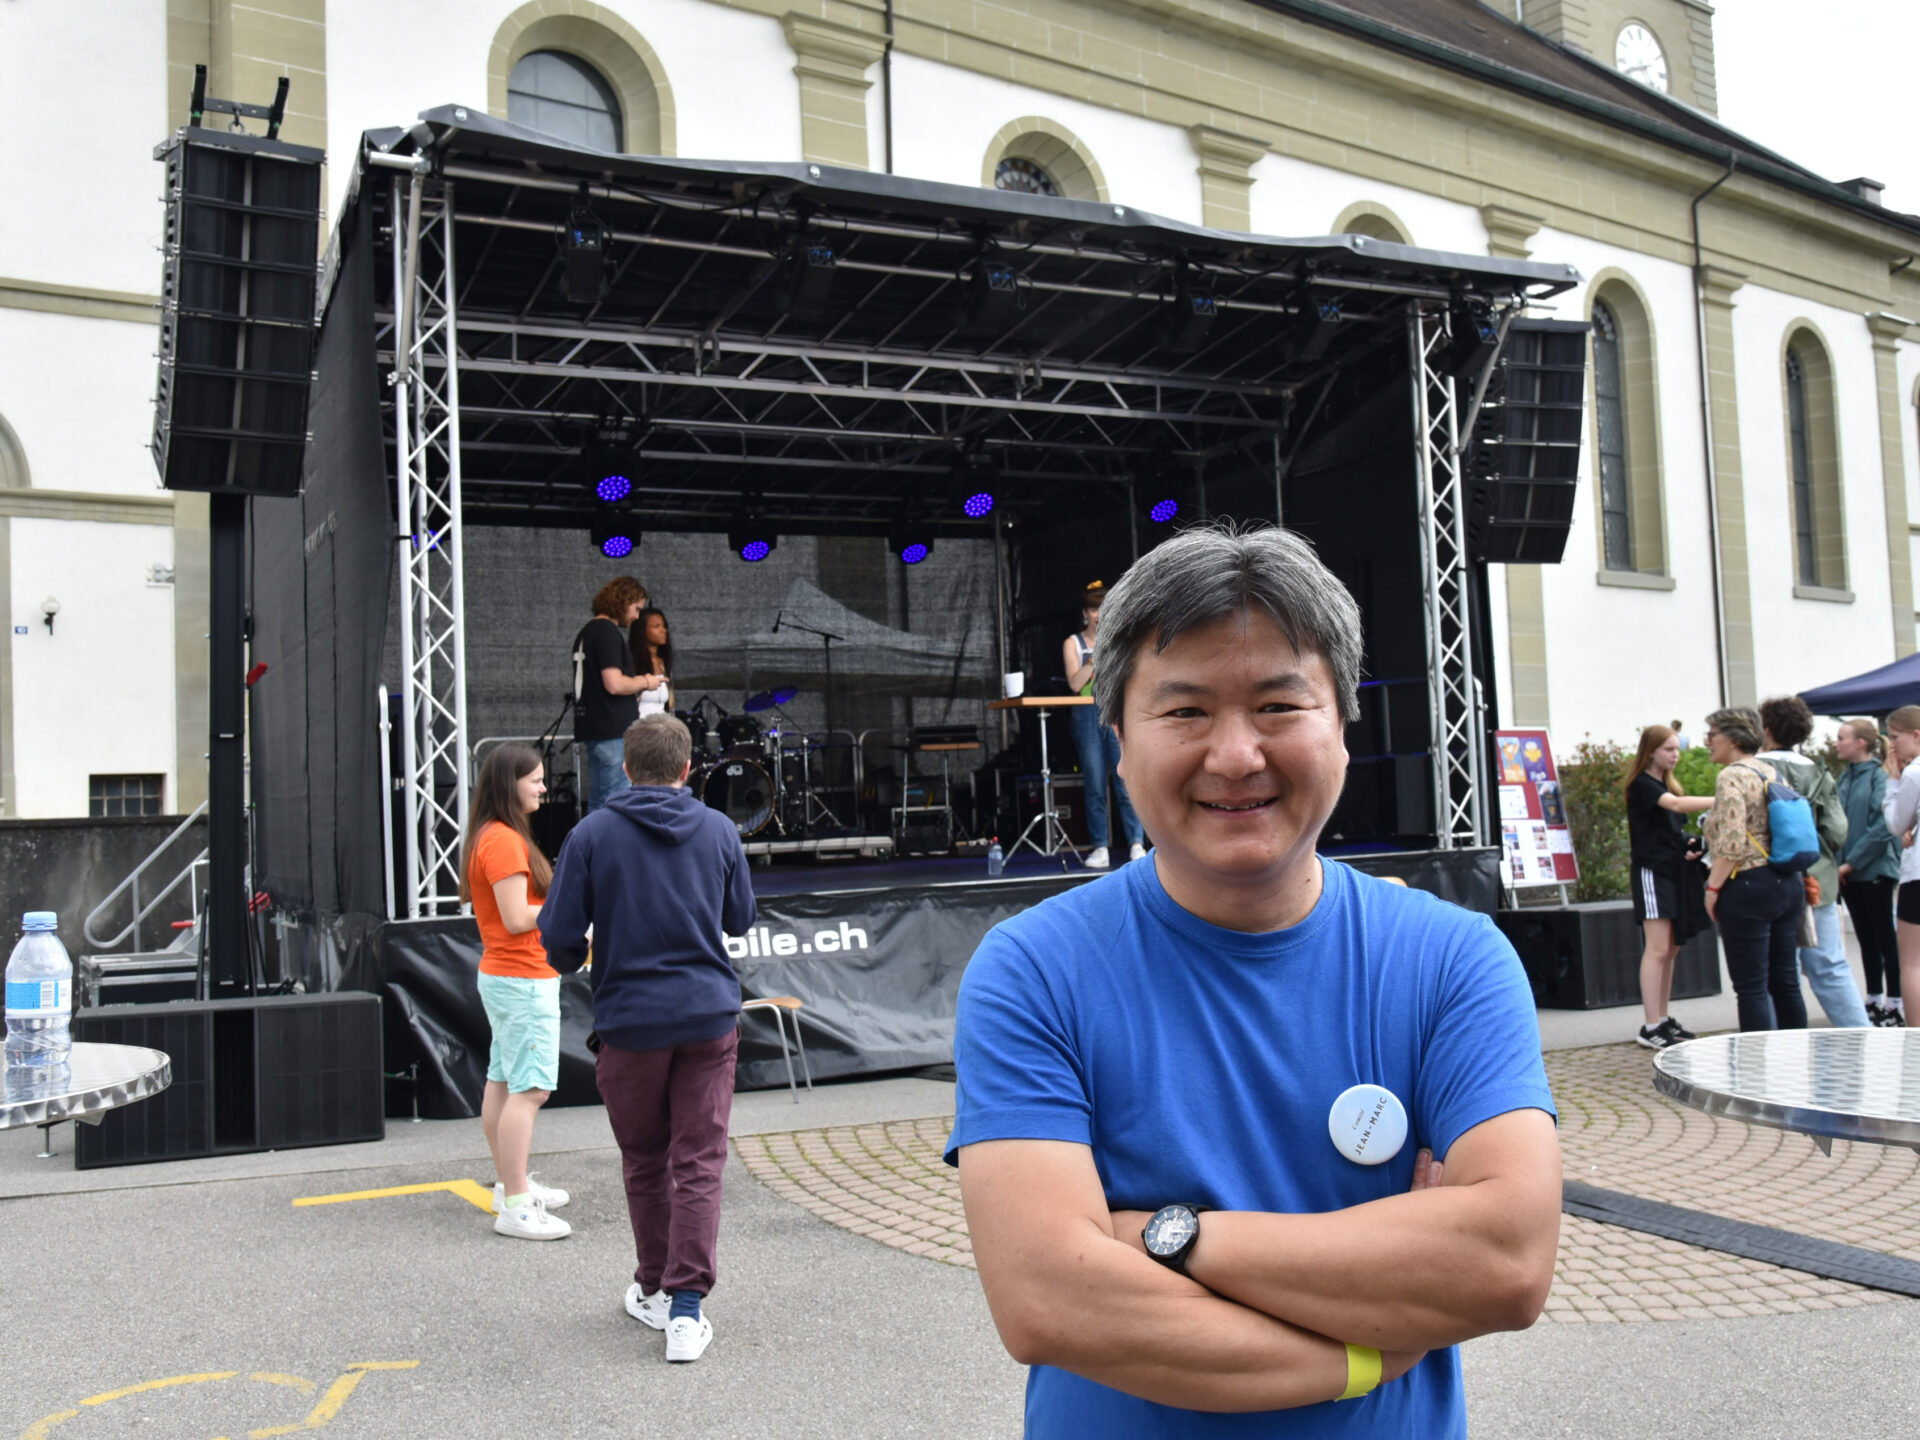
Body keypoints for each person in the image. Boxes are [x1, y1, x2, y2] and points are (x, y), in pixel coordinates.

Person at [949, 525, 1560, 1437]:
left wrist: (1169, 1236)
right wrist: (1361, 1357)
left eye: (1279, 705)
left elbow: (1505, 1263)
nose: (1235, 755)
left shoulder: (1451, 962)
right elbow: (1049, 1301)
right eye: (1186, 711)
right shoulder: (1034, 971)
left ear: (1342, 727)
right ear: (1117, 740)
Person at [539, 713, 757, 1365]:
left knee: (645, 1159)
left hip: (630, 1020)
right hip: (706, 1017)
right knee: (699, 1160)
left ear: (625, 769)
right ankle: (687, 1310)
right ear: (688, 769)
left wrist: (583, 953)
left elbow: (557, 943)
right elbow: (740, 918)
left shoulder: (592, 834)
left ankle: (658, 1290)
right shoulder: (718, 829)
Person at [461, 743, 571, 1241]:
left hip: (509, 976)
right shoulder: (503, 840)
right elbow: (516, 917)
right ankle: (518, 1204)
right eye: (536, 779)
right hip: (523, 978)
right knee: (529, 1091)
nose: (544, 788)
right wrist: (570, 918)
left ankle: (513, 1188)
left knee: (504, 1084)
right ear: (511, 784)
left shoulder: (491, 834)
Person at [1756, 696, 1867, 1029]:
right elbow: (1837, 829)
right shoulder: (1818, 772)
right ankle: (1864, 1038)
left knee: (1777, 971)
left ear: (1767, 728)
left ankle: (1774, 1048)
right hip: (1819, 879)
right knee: (1830, 966)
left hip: (1772, 879)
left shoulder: (1755, 769)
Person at [1701, 707, 1808, 1032]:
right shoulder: (1771, 772)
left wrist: (1712, 889)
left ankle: (1756, 1074)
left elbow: (1732, 843)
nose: (1708, 742)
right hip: (1787, 883)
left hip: (1748, 886)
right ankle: (1798, 1057)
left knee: (1751, 988)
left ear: (1732, 739)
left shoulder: (1731, 776)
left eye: (1712, 735)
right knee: (1786, 982)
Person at [1622, 724, 1713, 1049]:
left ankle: (1661, 1018)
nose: (1675, 755)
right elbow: (1675, 806)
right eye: (1669, 749)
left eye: (1677, 748)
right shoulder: (1644, 785)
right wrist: (1721, 798)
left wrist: (1689, 844)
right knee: (1658, 949)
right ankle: (1650, 1024)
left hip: (1672, 872)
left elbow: (1669, 830)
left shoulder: (1665, 784)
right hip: (1652, 874)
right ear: (1651, 752)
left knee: (1670, 949)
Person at [1061, 580, 1146, 870]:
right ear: (1085, 613)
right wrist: (1094, 661)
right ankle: (1100, 847)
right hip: (1086, 713)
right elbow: (1074, 684)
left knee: (1125, 780)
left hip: (1116, 713)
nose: (1098, 614)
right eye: (1093, 608)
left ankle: (1137, 842)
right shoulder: (1073, 643)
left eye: (1102, 608)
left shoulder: (1122, 640)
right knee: (1095, 783)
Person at [573, 576, 666, 812]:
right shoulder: (607, 633)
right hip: (612, 729)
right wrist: (646, 681)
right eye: (636, 609)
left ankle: (594, 848)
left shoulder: (587, 632)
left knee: (600, 800)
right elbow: (614, 684)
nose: (636, 616)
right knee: (616, 800)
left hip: (595, 727)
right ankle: (611, 849)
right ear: (623, 601)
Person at [1836, 717, 1902, 1026]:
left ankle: (1896, 1002)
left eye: (1842, 737)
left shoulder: (1877, 776)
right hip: (1849, 872)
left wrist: (1852, 861)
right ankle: (1874, 998)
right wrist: (1840, 863)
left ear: (1860, 743)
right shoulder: (1844, 778)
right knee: (1864, 936)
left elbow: (1883, 826)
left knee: (1885, 936)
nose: (1837, 743)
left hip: (1874, 869)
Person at [1881, 704, 1920, 1024]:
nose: (1891, 745)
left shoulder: (1914, 772)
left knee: (1912, 962)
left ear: (1916, 735)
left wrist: (1893, 781)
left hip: (1918, 875)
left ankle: (1916, 1038)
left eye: (1895, 737)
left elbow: (1896, 823)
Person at [630, 607, 675, 720]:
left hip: (662, 728)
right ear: (642, 630)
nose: (664, 630)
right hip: (638, 729)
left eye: (664, 626)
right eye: (656, 626)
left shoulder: (663, 662)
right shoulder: (631, 662)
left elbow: (670, 704)